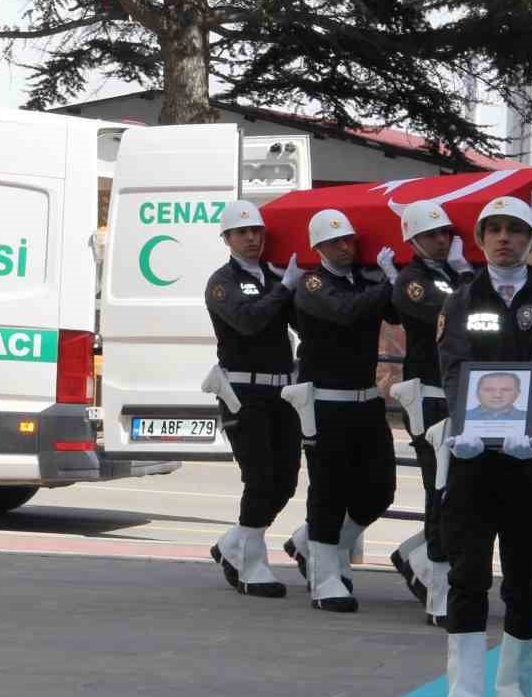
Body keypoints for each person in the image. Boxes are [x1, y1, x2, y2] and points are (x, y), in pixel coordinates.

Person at [434, 197, 532, 697]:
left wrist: (525, 427)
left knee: (522, 575)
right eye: (492, 230)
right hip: (473, 454)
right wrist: (464, 426)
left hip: (529, 456)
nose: (503, 239)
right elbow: (454, 366)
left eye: (515, 231)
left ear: (531, 241)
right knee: (467, 573)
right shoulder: (462, 299)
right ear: (479, 238)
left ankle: (515, 694)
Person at [283, 208, 399, 613]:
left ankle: (312, 542)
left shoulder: (367, 280)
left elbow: (397, 313)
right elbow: (347, 312)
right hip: (326, 403)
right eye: (335, 242)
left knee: (380, 489)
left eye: (349, 239)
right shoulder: (312, 283)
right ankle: (324, 572)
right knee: (329, 488)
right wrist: (386, 281)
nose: (345, 247)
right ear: (318, 247)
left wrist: (398, 277)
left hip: (366, 401)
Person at [202, 201, 300, 598]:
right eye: (242, 232)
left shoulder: (273, 275)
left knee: (286, 480)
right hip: (243, 391)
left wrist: (295, 286)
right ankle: (250, 562)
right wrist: (285, 288)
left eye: (257, 231)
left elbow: (300, 322)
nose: (252, 238)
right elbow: (248, 320)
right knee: (259, 476)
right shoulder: (222, 281)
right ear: (226, 238)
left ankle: (233, 544)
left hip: (282, 389)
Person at [388, 201, 473, 623]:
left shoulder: (450, 275)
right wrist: (467, 275)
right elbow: (458, 315)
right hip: (430, 396)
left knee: (460, 489)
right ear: (413, 240)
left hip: (462, 395)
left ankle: (420, 558)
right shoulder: (413, 281)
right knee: (439, 488)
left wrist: (462, 273)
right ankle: (438, 587)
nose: (443, 240)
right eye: (433, 234)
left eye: (446, 233)